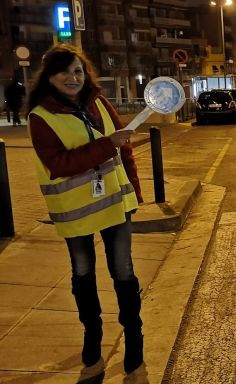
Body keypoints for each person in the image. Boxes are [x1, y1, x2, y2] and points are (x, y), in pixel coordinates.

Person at [25, 44, 145, 382]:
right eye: (64, 71)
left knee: (124, 273)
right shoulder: (40, 118)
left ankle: (134, 348)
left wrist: (134, 190)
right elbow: (59, 163)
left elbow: (126, 149)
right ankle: (93, 349)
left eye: (78, 71)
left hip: (117, 205)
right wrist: (108, 145)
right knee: (83, 274)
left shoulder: (99, 103)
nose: (73, 77)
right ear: (48, 77)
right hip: (77, 212)